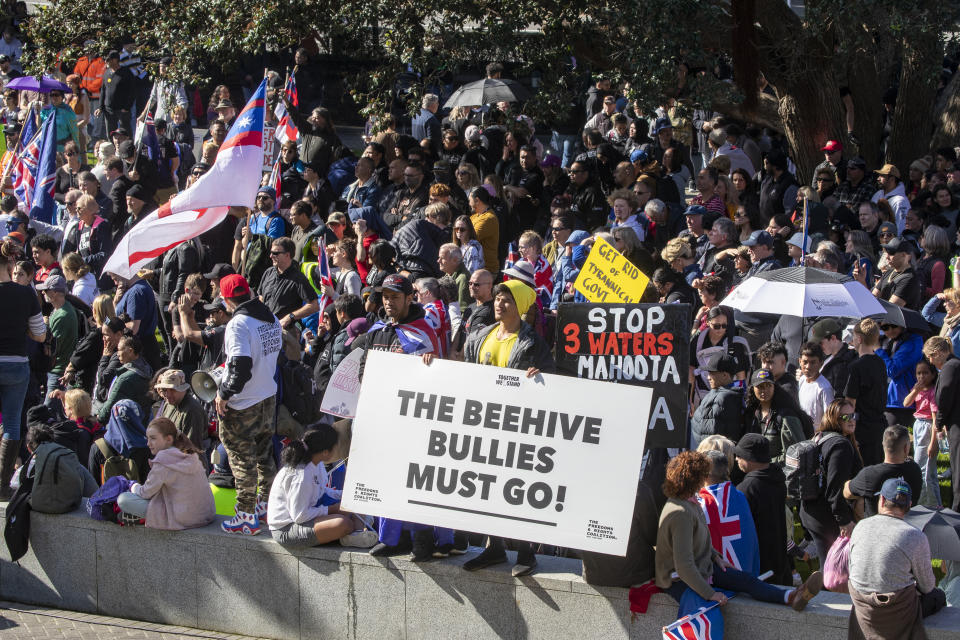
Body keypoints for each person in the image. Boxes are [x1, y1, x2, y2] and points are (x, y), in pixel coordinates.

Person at [460, 280, 553, 576]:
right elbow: (464, 373)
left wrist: (540, 376)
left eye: (507, 300)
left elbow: (551, 380)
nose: (499, 303)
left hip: (518, 427)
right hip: (483, 423)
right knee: (487, 487)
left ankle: (526, 552)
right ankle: (494, 547)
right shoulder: (480, 335)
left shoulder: (532, 342)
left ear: (520, 306)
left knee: (517, 488)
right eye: (498, 298)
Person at [656, 451, 822, 615]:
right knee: (717, 607)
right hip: (678, 580)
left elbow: (700, 539)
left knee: (746, 579)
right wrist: (710, 593)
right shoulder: (680, 513)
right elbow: (684, 566)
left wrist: (716, 557)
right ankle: (791, 595)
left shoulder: (690, 503)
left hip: (702, 566)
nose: (705, 479)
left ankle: (790, 596)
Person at [216, 274, 283, 535]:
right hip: (268, 396)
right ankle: (266, 506)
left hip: (244, 403)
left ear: (226, 299)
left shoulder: (238, 325)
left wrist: (224, 393)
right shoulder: (271, 318)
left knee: (242, 459)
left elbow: (240, 367)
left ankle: (245, 515)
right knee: (264, 454)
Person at [847, 478, 937, 639]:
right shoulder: (915, 536)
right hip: (898, 615)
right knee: (937, 596)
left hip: (864, 613)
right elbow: (928, 587)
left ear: (881, 500)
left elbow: (853, 569)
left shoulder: (860, 527)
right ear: (909, 506)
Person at [0, 239, 46, 497]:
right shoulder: (25, 293)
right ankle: (3, 484)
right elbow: (40, 335)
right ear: (11, 264)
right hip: (16, 364)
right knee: (12, 425)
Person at [114, 417, 214, 529]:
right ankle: (135, 517)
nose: (148, 443)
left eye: (153, 438)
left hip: (182, 518)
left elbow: (145, 493)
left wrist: (133, 486)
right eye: (147, 438)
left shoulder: (164, 459)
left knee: (123, 499)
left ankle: (139, 517)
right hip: (205, 515)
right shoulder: (190, 454)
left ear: (168, 439)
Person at [268, 425, 356, 547]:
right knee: (343, 523)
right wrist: (332, 509)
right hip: (286, 529)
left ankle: (356, 534)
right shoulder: (301, 475)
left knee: (356, 505)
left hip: (304, 519)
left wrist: (345, 495)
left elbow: (320, 490)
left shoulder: (316, 463)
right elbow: (299, 516)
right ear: (325, 452)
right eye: (336, 446)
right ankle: (348, 534)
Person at [799, 399, 862, 562]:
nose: (852, 420)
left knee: (828, 564)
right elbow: (835, 488)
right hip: (826, 516)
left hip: (809, 510)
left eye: (853, 415)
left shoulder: (820, 437)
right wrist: (844, 521)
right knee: (832, 569)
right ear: (834, 418)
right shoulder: (840, 446)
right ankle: (823, 589)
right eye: (846, 417)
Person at [735, 433, 791, 585]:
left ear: (750, 457)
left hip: (760, 565)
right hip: (780, 559)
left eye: (739, 456)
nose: (736, 459)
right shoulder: (778, 478)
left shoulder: (746, 489)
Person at [844, 425, 922, 518]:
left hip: (875, 527)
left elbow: (846, 492)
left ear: (883, 445)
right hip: (907, 523)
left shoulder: (869, 475)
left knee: (859, 501)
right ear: (906, 448)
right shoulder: (915, 470)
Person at [923, 336, 960, 510]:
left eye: (931, 356)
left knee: (958, 473)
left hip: (957, 427)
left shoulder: (950, 367)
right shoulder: (953, 365)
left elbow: (944, 400)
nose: (930, 361)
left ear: (938, 353)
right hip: (954, 424)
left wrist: (938, 425)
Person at [844, 318, 888, 466]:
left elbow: (850, 402)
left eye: (854, 337)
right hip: (879, 425)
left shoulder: (856, 367)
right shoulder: (880, 363)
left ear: (859, 339)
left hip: (862, 428)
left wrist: (845, 427)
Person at [744, 369, 808, 467]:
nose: (764, 390)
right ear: (752, 389)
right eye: (760, 387)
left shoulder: (786, 417)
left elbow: (793, 455)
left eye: (768, 385)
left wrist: (763, 464)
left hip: (779, 477)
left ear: (774, 387)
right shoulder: (752, 414)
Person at [258, 237, 319, 331]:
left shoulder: (298, 278)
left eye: (275, 253)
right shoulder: (268, 273)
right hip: (264, 328)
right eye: (271, 252)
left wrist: (290, 317)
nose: (271, 256)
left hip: (285, 331)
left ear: (287, 255)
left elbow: (314, 305)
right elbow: (261, 297)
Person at [903, 359, 941, 507]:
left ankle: (926, 504)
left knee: (922, 467)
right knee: (927, 469)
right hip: (918, 424)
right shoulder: (918, 389)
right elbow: (906, 403)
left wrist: (933, 443)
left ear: (932, 374)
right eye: (919, 373)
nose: (921, 376)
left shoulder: (933, 391)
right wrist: (915, 391)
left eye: (925, 373)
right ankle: (934, 503)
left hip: (927, 427)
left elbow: (935, 419)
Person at [37, 275, 78, 410]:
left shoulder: (63, 315)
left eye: (46, 290)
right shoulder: (59, 309)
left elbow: (54, 348)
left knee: (48, 411)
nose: (43, 293)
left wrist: (44, 328)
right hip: (57, 369)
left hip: (58, 371)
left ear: (54, 293)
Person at [690, 352, 744, 447]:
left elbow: (711, 436)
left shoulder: (723, 399)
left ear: (724, 375)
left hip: (711, 455)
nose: (708, 377)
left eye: (712, 373)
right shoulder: (719, 394)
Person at [155, 369, 208, 454]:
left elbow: (191, 450)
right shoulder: (168, 403)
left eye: (172, 389)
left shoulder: (192, 411)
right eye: (164, 390)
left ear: (183, 389)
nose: (167, 395)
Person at [810, 318, 858, 395]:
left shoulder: (846, 362)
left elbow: (838, 395)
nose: (818, 347)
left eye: (820, 343)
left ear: (833, 338)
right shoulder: (825, 357)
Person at [797, 342, 834, 430]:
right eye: (805, 362)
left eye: (813, 362)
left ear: (821, 363)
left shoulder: (825, 388)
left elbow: (829, 420)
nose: (808, 367)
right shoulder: (802, 380)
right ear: (800, 361)